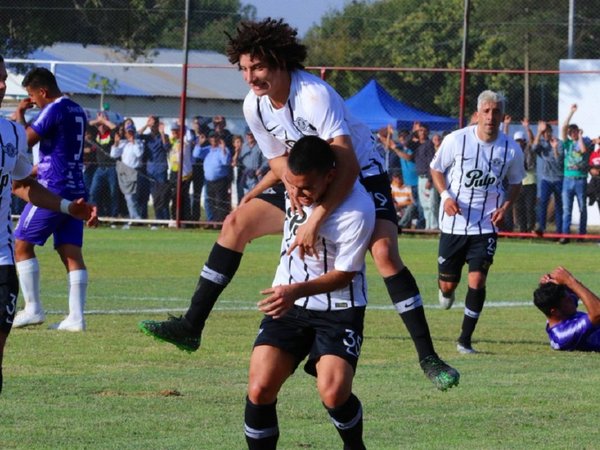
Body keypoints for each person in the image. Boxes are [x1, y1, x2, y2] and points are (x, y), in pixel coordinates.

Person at [139, 18, 459, 391]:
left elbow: (349, 162)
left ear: (280, 62)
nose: (250, 77)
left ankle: (428, 357)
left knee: (385, 253)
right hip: (306, 176)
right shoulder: (254, 105)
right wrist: (287, 185)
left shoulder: (313, 95)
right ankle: (191, 325)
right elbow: (277, 158)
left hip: (360, 172)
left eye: (257, 67)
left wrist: (315, 218)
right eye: (244, 68)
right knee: (235, 224)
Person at [244, 136, 371, 450]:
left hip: (339, 307)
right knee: (260, 388)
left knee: (333, 391)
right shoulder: (293, 184)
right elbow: (276, 154)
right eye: (293, 185)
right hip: (288, 303)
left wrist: (296, 290)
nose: (298, 194)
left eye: (306, 188)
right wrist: (254, 195)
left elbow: (346, 273)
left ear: (330, 176)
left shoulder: (357, 209)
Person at [0, 57, 96, 396]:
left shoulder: (53, 109)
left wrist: (19, 116)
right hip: (76, 188)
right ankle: (76, 317)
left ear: (42, 91)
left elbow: (22, 141)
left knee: (21, 244)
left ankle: (34, 308)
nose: (34, 101)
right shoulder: (77, 109)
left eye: (33, 96)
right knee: (71, 252)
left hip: (51, 187)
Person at [430, 90, 525, 354]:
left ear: (502, 116)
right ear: (478, 113)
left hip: (486, 225)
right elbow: (436, 168)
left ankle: (464, 340)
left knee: (478, 280)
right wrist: (445, 195)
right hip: (454, 224)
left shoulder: (510, 148)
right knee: (448, 285)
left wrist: (506, 206)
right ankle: (446, 291)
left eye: (496, 112)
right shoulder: (456, 140)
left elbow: (516, 181)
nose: (491, 117)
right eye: (486, 111)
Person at [534, 266, 600, 352]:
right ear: (555, 312)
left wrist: (551, 282)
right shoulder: (564, 335)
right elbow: (597, 313)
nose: (572, 298)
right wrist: (570, 281)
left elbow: (576, 291)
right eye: (568, 300)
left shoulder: (563, 312)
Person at [559, 104, 588, 244]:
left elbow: (582, 150)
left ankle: (581, 235)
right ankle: (565, 236)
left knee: (582, 208)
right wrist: (571, 112)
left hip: (580, 179)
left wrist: (581, 136)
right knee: (567, 209)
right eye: (571, 132)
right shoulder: (567, 143)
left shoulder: (584, 141)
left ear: (578, 132)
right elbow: (564, 127)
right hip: (568, 179)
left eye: (575, 131)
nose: (572, 134)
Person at [137, 115, 171, 222]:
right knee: (154, 196)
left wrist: (161, 133)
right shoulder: (147, 137)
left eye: (153, 124)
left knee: (162, 196)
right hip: (150, 171)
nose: (152, 128)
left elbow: (166, 147)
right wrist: (146, 125)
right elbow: (137, 136)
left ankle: (165, 219)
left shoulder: (164, 136)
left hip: (160, 170)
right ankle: (158, 220)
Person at [532, 121, 563, 236]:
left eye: (547, 132)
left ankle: (559, 232)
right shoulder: (543, 144)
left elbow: (558, 161)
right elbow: (534, 148)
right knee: (543, 202)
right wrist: (539, 132)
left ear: (551, 132)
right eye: (544, 133)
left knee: (559, 205)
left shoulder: (559, 143)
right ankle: (541, 227)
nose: (546, 135)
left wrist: (554, 148)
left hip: (558, 179)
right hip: (546, 179)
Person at [111, 122, 144, 225]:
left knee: (132, 196)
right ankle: (134, 217)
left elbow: (139, 154)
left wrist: (133, 141)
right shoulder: (123, 143)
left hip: (134, 171)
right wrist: (116, 143)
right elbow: (113, 154)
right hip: (124, 172)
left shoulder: (138, 143)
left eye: (131, 132)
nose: (129, 134)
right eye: (128, 133)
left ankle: (136, 218)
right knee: (128, 196)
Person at [88, 112, 119, 218]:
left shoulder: (111, 134)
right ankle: (93, 214)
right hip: (100, 169)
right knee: (93, 191)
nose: (101, 126)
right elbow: (88, 124)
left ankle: (114, 216)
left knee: (113, 192)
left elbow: (115, 127)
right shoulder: (95, 134)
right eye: (99, 124)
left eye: (103, 124)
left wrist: (104, 120)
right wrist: (98, 120)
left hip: (111, 168)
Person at [408, 122, 438, 230]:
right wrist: (413, 131)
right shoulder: (417, 145)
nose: (422, 133)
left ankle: (433, 227)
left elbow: (432, 162)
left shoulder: (429, 144)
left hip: (427, 177)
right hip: (420, 178)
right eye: (420, 130)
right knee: (424, 204)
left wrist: (430, 179)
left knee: (431, 204)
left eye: (424, 131)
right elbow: (407, 144)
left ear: (428, 132)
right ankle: (427, 226)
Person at [203, 131, 232, 222]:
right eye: (211, 138)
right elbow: (195, 154)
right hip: (208, 181)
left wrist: (223, 148)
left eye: (215, 137)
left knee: (220, 202)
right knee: (209, 202)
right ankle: (211, 221)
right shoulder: (208, 149)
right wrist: (199, 144)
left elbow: (225, 162)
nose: (213, 139)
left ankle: (220, 222)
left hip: (220, 180)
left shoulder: (224, 149)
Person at [513, 128, 537, 233]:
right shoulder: (513, 152)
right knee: (519, 208)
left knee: (529, 208)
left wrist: (528, 128)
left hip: (529, 182)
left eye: (520, 141)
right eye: (516, 141)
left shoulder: (529, 150)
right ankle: (523, 231)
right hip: (518, 183)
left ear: (524, 141)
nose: (518, 143)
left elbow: (532, 141)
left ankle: (531, 228)